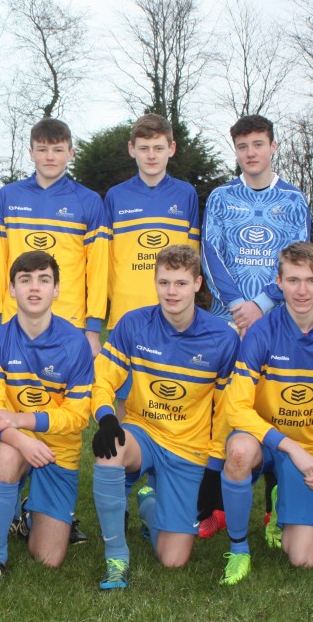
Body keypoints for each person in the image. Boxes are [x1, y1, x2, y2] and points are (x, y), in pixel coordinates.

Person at [0, 117, 108, 544]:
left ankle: (52, 509)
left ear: (70, 153)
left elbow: (98, 265)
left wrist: (93, 327)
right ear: (31, 152)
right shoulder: (8, 196)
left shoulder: (89, 200)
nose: (50, 157)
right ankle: (14, 501)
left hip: (69, 326)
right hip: (17, 320)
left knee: (64, 418)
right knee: (12, 402)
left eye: (59, 149)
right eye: (42, 149)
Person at [90, 245, 239, 589]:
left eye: (181, 283)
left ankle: (148, 505)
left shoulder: (222, 338)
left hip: (188, 447)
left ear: (198, 284)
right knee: (108, 449)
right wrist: (107, 417)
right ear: (155, 282)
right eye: (164, 282)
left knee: (173, 560)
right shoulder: (134, 324)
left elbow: (226, 410)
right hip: (143, 432)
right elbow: (103, 378)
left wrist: (214, 464)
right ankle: (116, 558)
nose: (172, 292)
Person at [218, 242, 313, 585]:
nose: (302, 290)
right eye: (294, 280)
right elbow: (236, 406)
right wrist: (290, 446)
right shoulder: (260, 333)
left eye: (312, 281)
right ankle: (239, 550)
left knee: (303, 560)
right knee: (238, 453)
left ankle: (279, 504)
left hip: (310, 451)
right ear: (279, 283)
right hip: (261, 438)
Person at [199, 114, 312, 539]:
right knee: (221, 408)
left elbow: (297, 258)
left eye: (258, 144)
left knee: (276, 404)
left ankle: (273, 510)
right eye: (243, 146)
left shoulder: (294, 199)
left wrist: (263, 303)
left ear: (273, 146)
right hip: (226, 318)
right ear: (236, 151)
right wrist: (237, 306)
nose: (251, 153)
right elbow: (209, 253)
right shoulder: (221, 197)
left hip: (275, 317)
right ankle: (214, 506)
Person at [0, 251, 92, 584]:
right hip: (13, 440)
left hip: (57, 451)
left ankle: (27, 515)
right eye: (25, 280)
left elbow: (79, 416)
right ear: (11, 289)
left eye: (43, 280)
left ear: (56, 289)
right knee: (7, 456)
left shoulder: (75, 343)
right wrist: (22, 439)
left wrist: (23, 421)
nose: (34, 288)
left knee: (48, 559)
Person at [104, 114, 199, 328]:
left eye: (158, 148)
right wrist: (115, 297)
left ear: (171, 148)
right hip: (125, 308)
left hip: (174, 310)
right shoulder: (115, 196)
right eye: (144, 148)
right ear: (131, 149)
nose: (151, 155)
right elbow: (107, 260)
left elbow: (192, 257)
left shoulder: (185, 194)